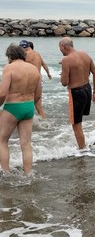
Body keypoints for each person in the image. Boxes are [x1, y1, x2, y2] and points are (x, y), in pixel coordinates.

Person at [0, 44, 42, 174]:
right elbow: (38, 94)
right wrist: (29, 105)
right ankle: (28, 173)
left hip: (12, 107)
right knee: (26, 143)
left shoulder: (9, 68)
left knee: (2, 140)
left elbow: (2, 93)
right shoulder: (34, 69)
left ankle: (6, 173)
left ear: (10, 56)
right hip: (28, 107)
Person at [59, 37, 95, 149]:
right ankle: (83, 144)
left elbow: (64, 82)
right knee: (80, 121)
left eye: (60, 48)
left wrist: (63, 72)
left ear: (63, 46)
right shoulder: (85, 55)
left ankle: (82, 150)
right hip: (87, 89)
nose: (60, 50)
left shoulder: (66, 60)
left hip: (76, 93)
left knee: (76, 124)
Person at [19, 40, 52, 119]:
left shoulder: (24, 55)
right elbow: (43, 64)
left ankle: (24, 121)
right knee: (38, 105)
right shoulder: (37, 53)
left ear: (23, 47)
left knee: (23, 102)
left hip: (29, 81)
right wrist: (48, 74)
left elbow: (18, 66)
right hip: (39, 81)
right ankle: (44, 123)